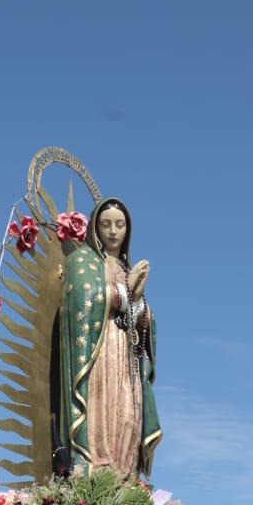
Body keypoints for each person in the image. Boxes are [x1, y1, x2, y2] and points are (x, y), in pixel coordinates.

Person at [58, 197, 162, 478]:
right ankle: (98, 469)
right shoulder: (82, 262)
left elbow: (144, 322)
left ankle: (125, 475)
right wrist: (125, 294)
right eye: (106, 225)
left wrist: (141, 306)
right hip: (99, 350)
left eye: (120, 225)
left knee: (127, 414)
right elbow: (82, 297)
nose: (113, 231)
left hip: (127, 355)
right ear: (94, 227)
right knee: (102, 409)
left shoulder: (128, 268)